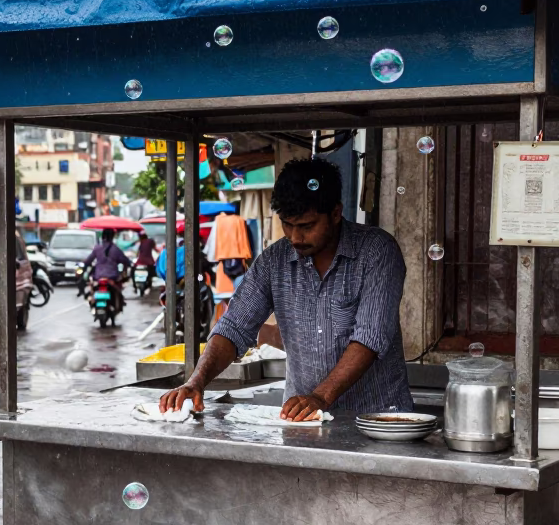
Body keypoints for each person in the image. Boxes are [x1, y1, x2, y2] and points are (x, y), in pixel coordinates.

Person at [160, 157, 411, 422]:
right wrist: (196, 382)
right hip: (305, 424)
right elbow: (233, 328)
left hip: (379, 420)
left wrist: (321, 398)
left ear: (336, 213)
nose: (295, 237)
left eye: (307, 226)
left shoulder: (377, 251)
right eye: (287, 224)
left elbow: (370, 337)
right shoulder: (273, 261)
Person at [82, 228, 133, 309]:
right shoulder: (116, 249)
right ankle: (120, 302)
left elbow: (88, 261)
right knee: (118, 287)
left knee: (92, 287)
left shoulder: (97, 248)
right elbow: (125, 260)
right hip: (112, 276)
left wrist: (84, 265)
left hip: (98, 276)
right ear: (112, 236)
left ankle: (92, 301)